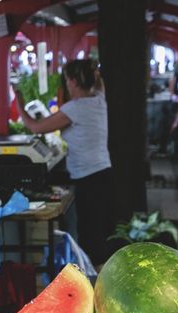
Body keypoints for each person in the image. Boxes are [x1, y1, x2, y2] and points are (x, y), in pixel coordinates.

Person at [17, 58, 116, 264]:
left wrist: (18, 102)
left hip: (89, 178)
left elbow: (36, 127)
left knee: (90, 235)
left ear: (72, 81)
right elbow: (99, 83)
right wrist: (94, 72)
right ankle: (99, 281)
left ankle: (94, 287)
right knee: (99, 232)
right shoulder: (98, 99)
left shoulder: (75, 108)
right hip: (103, 173)